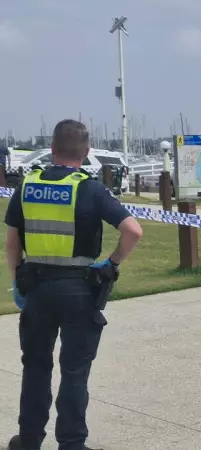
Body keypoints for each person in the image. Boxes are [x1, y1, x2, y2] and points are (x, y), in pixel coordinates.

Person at [4, 120, 143, 450]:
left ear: (52, 148)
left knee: (36, 367)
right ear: (86, 152)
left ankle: (29, 439)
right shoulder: (90, 189)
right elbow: (133, 230)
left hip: (36, 288)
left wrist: (18, 281)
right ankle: (71, 443)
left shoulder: (28, 185)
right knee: (74, 370)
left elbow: (11, 243)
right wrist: (112, 263)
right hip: (79, 290)